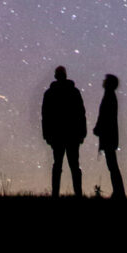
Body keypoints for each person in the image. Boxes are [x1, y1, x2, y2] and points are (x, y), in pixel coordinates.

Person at [41, 65, 86, 197]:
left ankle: (55, 194)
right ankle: (78, 194)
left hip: (57, 135)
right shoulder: (74, 92)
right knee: (74, 166)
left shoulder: (49, 93)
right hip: (72, 134)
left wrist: (46, 135)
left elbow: (46, 116)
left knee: (58, 165)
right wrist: (82, 133)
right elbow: (81, 114)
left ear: (56, 76)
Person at [93, 73, 126, 199]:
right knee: (112, 165)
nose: (103, 81)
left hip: (108, 136)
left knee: (112, 165)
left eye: (105, 80)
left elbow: (105, 117)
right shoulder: (110, 96)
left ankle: (119, 192)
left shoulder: (109, 97)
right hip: (110, 136)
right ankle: (118, 191)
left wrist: (99, 128)